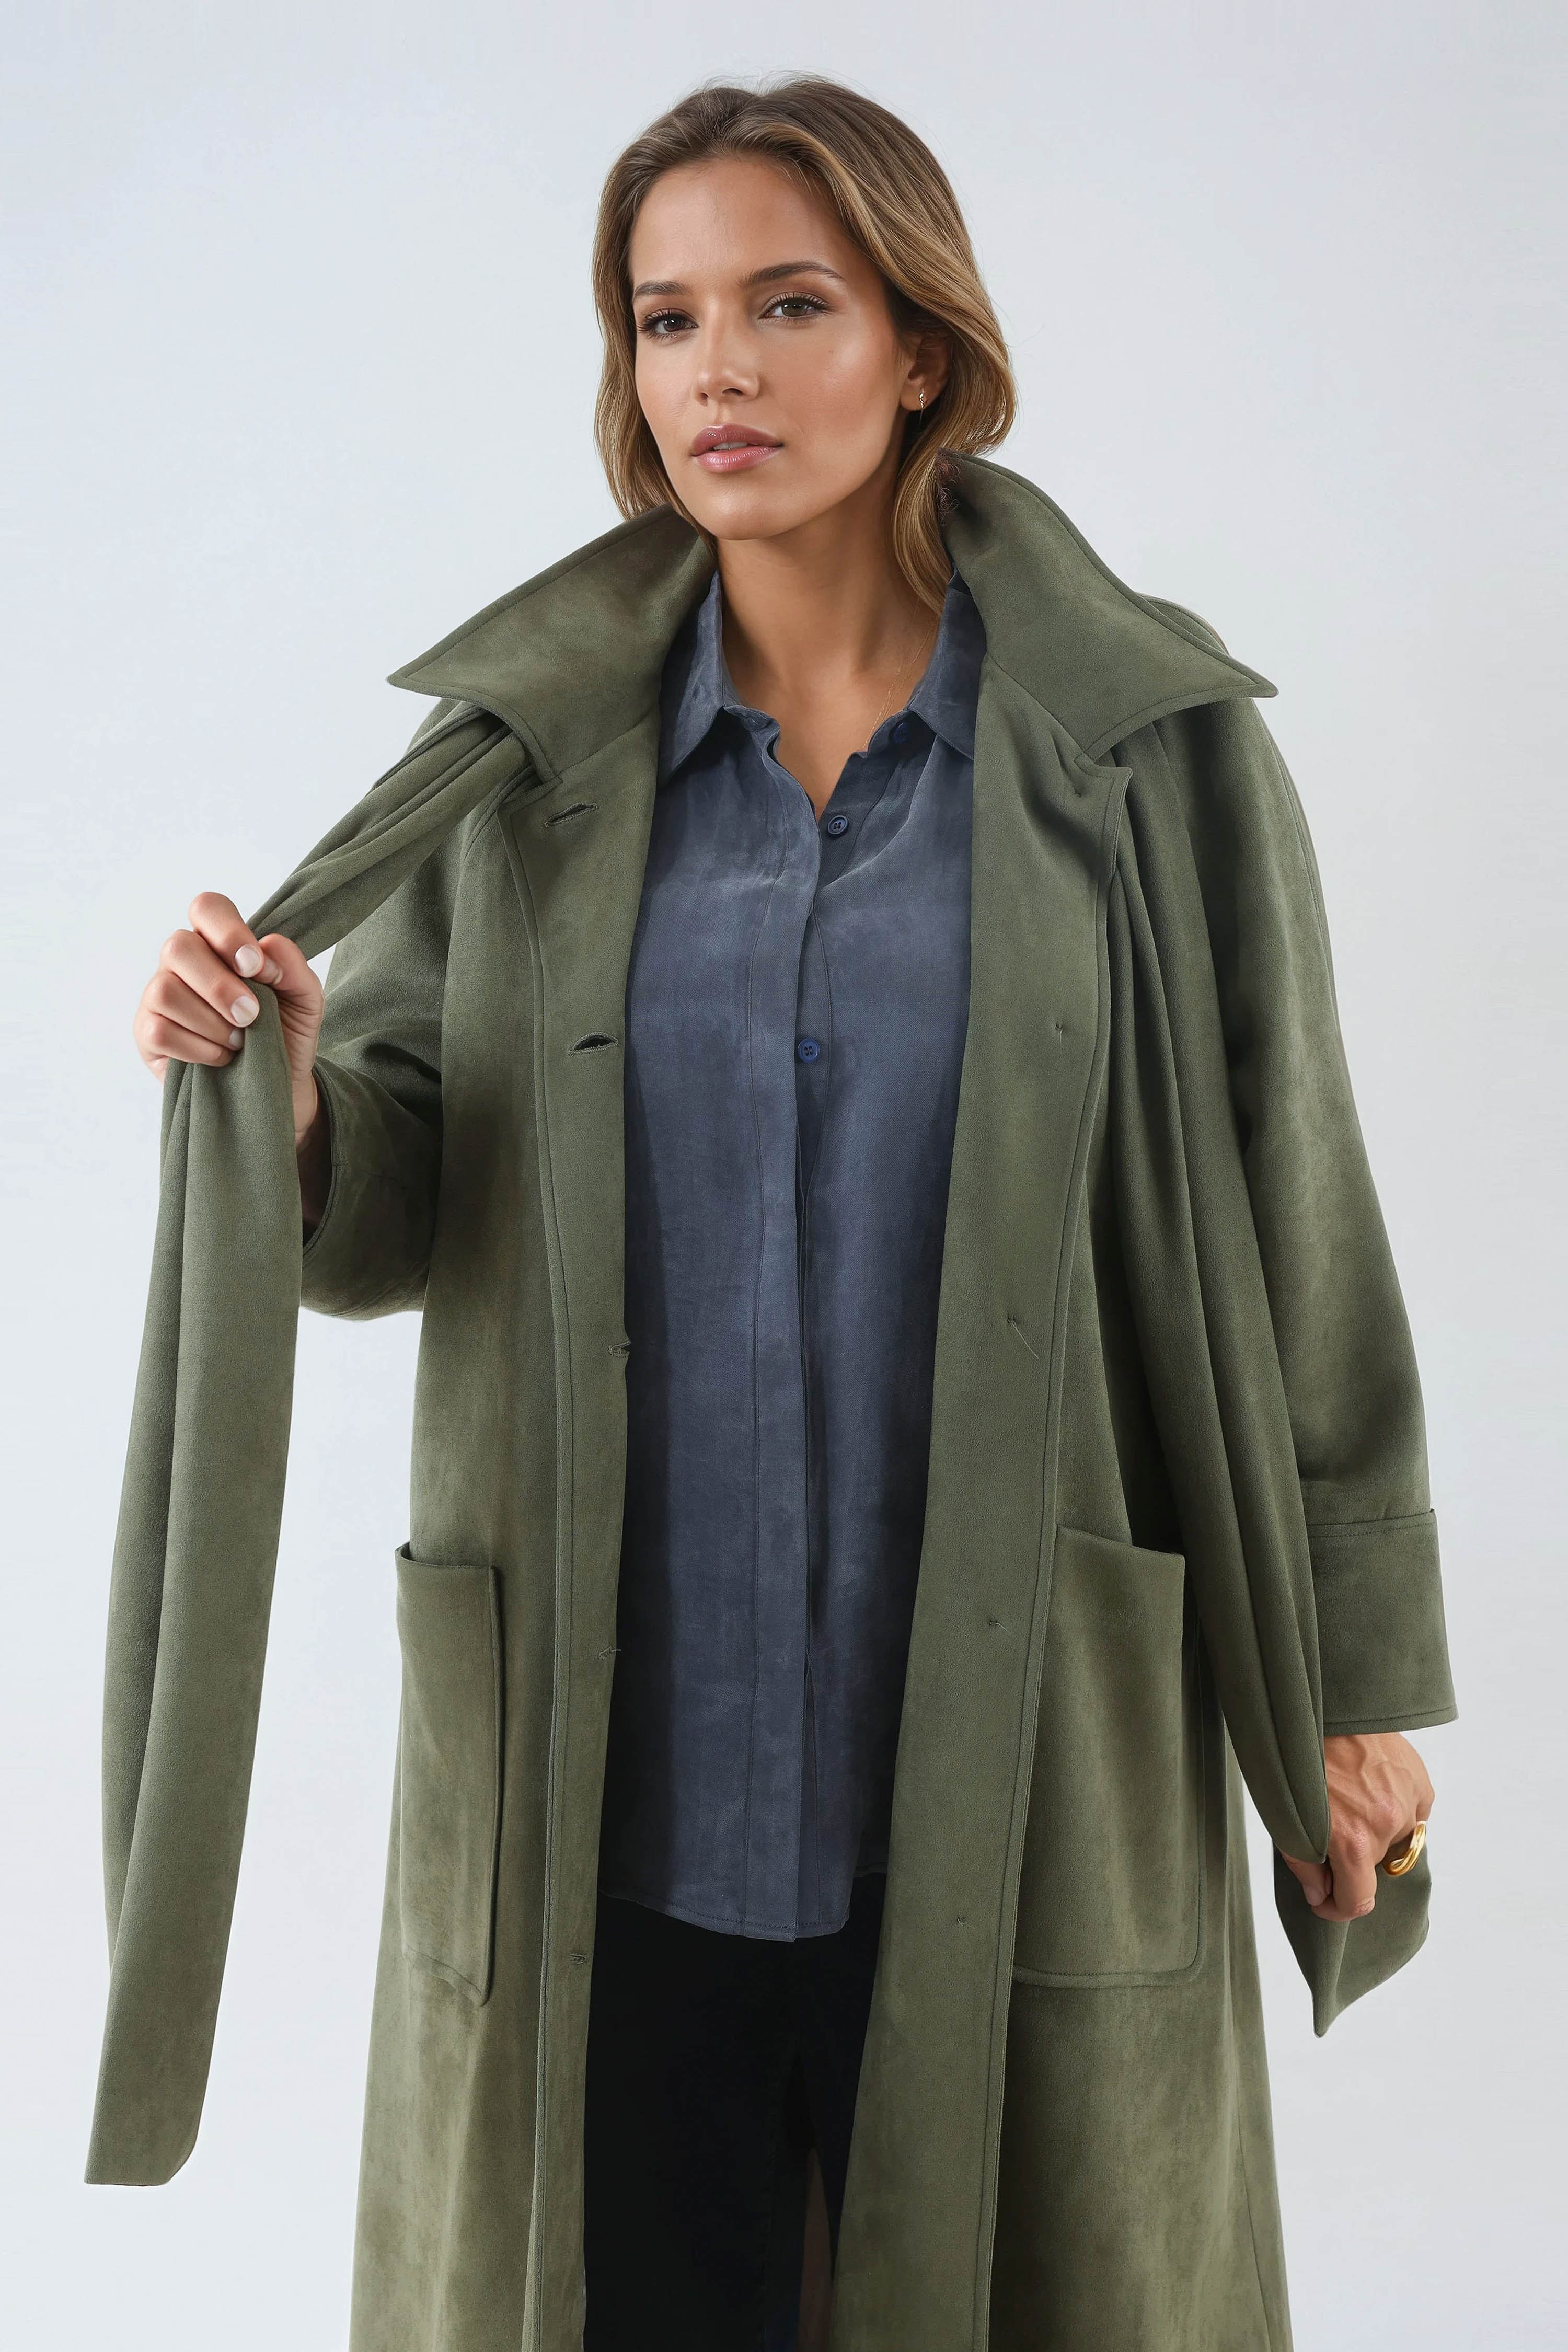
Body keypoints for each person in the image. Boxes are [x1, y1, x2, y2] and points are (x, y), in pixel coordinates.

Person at [111, 74, 1454, 2352]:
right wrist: (299, 1096)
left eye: (789, 304)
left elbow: (1297, 1197)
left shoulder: (1143, 750)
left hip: (1020, 1749)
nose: (715, 369)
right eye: (666, 318)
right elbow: (400, 1203)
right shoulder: (529, 762)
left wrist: (1347, 1681)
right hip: (611, 1781)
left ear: (920, 346)